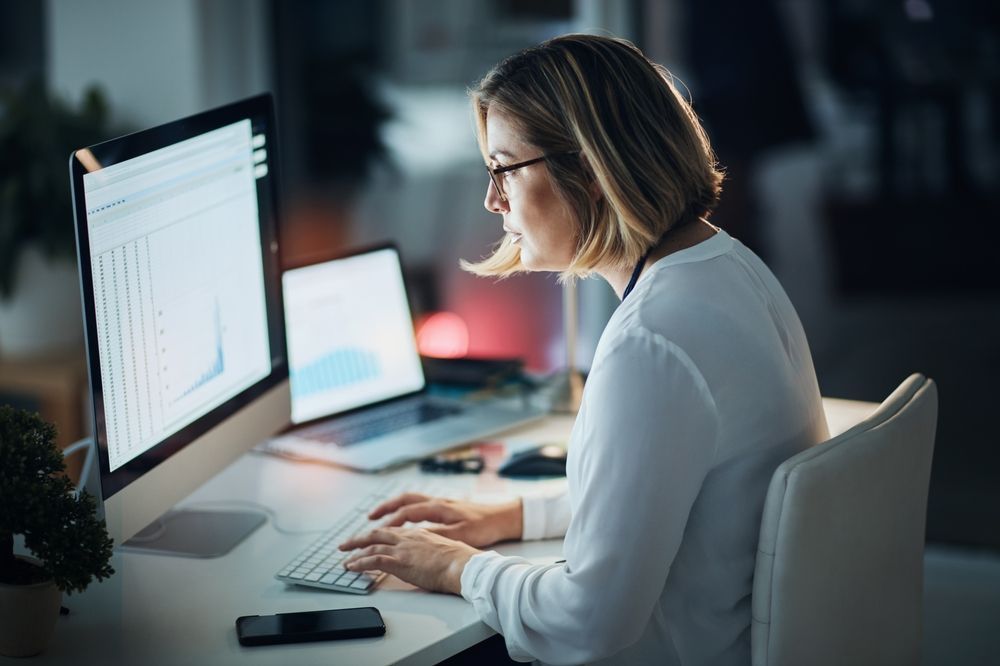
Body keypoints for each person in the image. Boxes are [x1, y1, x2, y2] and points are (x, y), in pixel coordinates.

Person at [340, 34, 829, 665]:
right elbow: (664, 489)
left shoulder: (650, 343)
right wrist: (515, 515)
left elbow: (588, 620)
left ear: (590, 172)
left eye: (504, 169)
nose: (492, 200)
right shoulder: (728, 266)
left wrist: (460, 569)